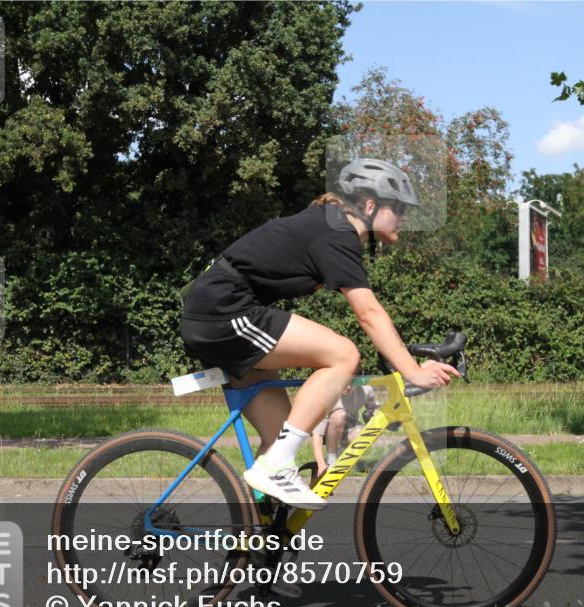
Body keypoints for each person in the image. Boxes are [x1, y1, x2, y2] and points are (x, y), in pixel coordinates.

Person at [180, 158, 459, 511]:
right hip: (223, 312)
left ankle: (255, 546)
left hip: (223, 313)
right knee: (343, 354)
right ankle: (274, 468)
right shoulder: (337, 231)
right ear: (370, 205)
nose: (404, 217)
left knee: (281, 436)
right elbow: (368, 313)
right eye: (399, 208)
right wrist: (413, 370)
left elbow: (374, 315)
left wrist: (403, 355)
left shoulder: (332, 229)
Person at [311, 383, 379, 475]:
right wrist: (321, 464)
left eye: (351, 383)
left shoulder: (365, 390)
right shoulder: (327, 396)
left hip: (349, 429)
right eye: (344, 383)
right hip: (330, 432)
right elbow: (317, 436)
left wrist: (373, 414)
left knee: (366, 433)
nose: (348, 387)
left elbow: (375, 408)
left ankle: (344, 455)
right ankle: (331, 458)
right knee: (340, 415)